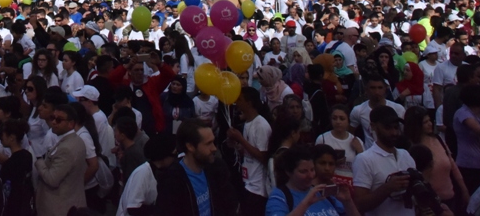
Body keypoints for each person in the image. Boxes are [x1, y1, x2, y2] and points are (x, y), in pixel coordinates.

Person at [153, 118, 237, 216]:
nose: (214, 148)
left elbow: (229, 204)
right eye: (208, 144)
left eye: (213, 142)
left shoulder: (216, 170)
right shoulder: (172, 181)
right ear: (190, 147)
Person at [351, 106, 416, 216]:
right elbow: (359, 204)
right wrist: (388, 188)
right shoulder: (364, 159)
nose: (394, 133)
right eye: (388, 128)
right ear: (373, 126)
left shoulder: (405, 155)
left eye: (396, 127)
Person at [402, 105, 466, 213]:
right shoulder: (410, 148)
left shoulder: (438, 139)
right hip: (428, 203)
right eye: (425, 122)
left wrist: (464, 189)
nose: (430, 124)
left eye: (429, 120)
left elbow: (452, 165)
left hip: (450, 197)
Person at [266, 145, 361, 216]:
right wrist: (306, 203)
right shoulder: (280, 196)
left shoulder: (323, 193)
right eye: (303, 172)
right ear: (289, 172)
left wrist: (348, 202)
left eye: (312, 170)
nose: (310, 176)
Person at [34, 104, 87, 216]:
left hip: (59, 207)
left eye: (59, 120)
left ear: (71, 124)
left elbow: (52, 179)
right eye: (53, 118)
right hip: (69, 201)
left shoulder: (66, 148)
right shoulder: (77, 141)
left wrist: (39, 161)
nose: (53, 122)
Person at [227, 87, 272, 216]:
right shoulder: (247, 123)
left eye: (240, 99)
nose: (237, 101)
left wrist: (241, 139)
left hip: (258, 187)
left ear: (249, 103)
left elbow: (263, 157)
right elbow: (248, 152)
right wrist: (236, 145)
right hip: (247, 181)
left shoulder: (261, 125)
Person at [117, 134, 174, 216]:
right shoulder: (142, 173)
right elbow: (133, 208)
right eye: (173, 154)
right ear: (163, 155)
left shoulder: (161, 172)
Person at [0, 118, 35, 216]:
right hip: (27, 204)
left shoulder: (9, 165)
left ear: (11, 137)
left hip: (14, 208)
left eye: (2, 135)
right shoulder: (27, 155)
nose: (0, 138)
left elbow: (7, 192)